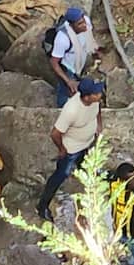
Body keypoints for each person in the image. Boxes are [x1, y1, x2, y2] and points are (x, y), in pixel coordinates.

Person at [36, 79, 105, 222]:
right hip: (71, 149)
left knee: (87, 166)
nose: (100, 94)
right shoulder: (71, 110)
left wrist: (99, 125)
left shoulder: (95, 101)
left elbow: (98, 111)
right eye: (96, 93)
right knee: (61, 175)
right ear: (87, 97)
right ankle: (42, 206)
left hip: (87, 144)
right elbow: (55, 133)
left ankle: (90, 188)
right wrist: (62, 149)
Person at [49, 7, 101, 108]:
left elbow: (88, 36)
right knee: (65, 93)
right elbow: (54, 62)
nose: (84, 25)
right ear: (71, 25)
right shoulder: (62, 39)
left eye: (83, 21)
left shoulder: (86, 22)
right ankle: (61, 109)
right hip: (68, 68)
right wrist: (68, 81)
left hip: (79, 61)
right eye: (79, 24)